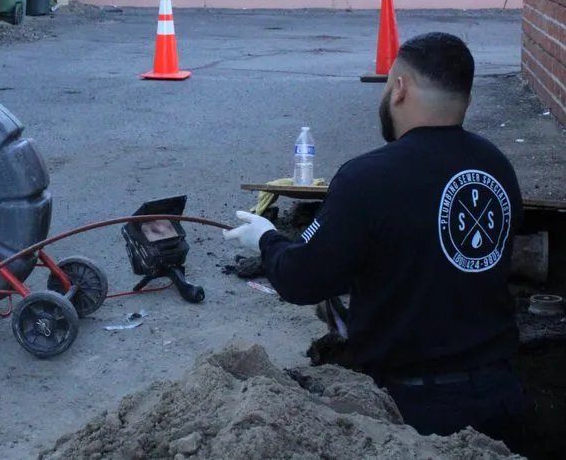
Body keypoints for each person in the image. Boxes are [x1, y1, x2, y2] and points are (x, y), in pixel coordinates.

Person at [223, 32, 529, 452]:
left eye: (387, 84)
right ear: (467, 99)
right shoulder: (498, 167)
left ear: (399, 88)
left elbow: (303, 279)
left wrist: (266, 239)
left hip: (416, 413)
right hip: (503, 402)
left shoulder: (368, 178)